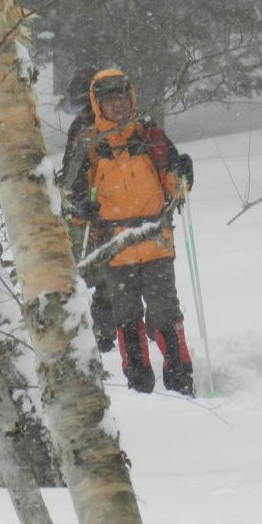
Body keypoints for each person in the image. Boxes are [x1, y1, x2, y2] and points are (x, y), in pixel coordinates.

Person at [64, 68, 196, 395]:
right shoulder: (89, 142)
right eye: (109, 100)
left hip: (156, 239)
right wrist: (80, 209)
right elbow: (70, 193)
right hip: (115, 245)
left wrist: (182, 179)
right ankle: (140, 382)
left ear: (131, 97)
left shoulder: (148, 132)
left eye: (122, 98)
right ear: (97, 104)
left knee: (165, 312)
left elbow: (172, 177)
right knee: (127, 318)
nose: (118, 105)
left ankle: (180, 378)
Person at [59, 65, 115, 352]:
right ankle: (84, 332)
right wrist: (77, 203)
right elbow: (71, 174)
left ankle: (103, 334)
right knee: (83, 274)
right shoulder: (83, 128)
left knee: (106, 275)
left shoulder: (103, 127)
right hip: (85, 212)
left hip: (108, 212)